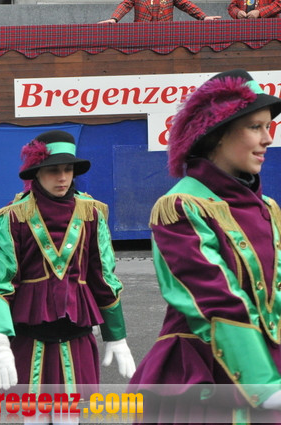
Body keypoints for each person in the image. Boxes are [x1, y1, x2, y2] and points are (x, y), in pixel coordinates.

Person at [128, 69, 281, 423]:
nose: (268, 139)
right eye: (255, 127)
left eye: (268, 126)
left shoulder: (270, 209)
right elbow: (215, 298)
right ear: (217, 134)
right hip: (203, 377)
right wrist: (264, 384)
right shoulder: (181, 206)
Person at [0, 130, 136, 399]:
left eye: (68, 169)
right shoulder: (12, 217)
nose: (62, 177)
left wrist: (116, 334)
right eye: (53, 170)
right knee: (33, 410)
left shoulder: (91, 213)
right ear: (37, 173)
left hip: (77, 331)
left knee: (70, 410)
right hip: (28, 332)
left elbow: (103, 276)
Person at [98, 0, 220, 22]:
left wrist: (203, 17)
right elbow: (125, 4)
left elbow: (186, 4)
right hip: (141, 35)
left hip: (165, 35)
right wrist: (114, 19)